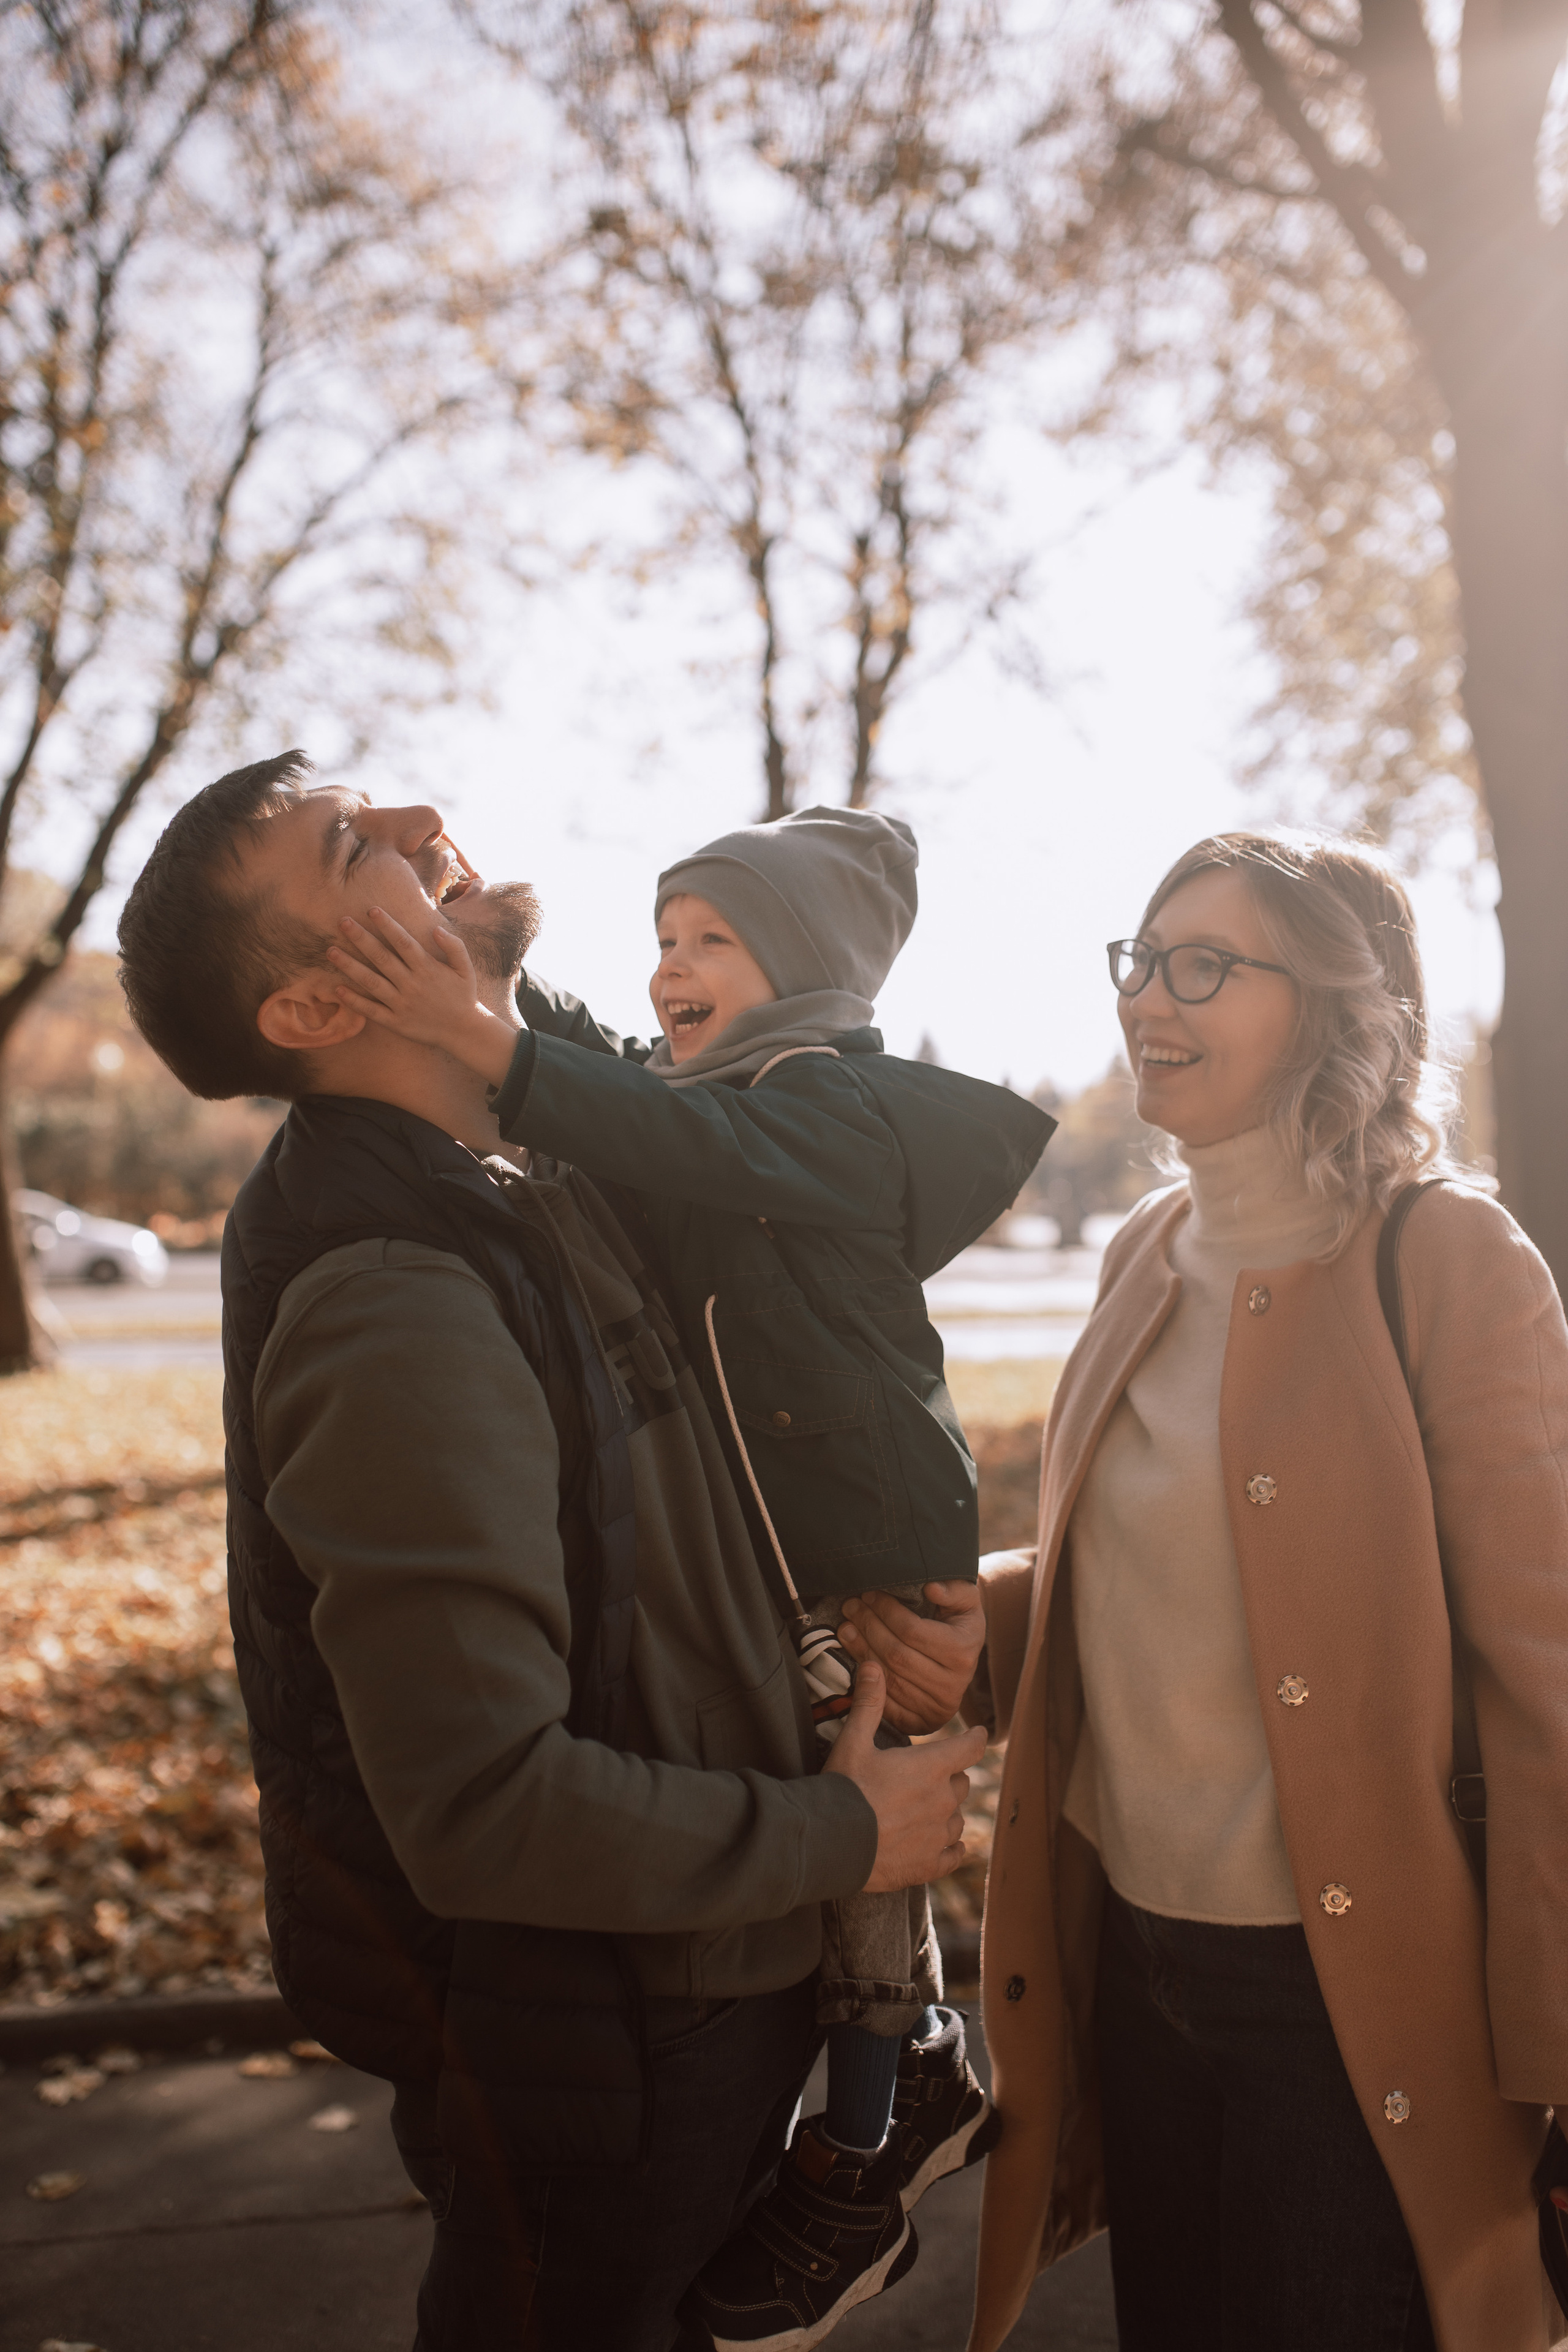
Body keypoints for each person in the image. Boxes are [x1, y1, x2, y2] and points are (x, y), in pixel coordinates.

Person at [115, 750, 989, 2352]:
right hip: (626, 2041)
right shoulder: (396, 1296)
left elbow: (722, 1469)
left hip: (704, 1977)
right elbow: (486, 1811)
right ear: (311, 1011)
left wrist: (905, 1602)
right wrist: (841, 1838)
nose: (413, 820)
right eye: (344, 842)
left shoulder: (539, 1180)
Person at [326, 802, 1053, 2347]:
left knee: (866, 1820)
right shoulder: (710, 1091)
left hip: (875, 1532)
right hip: (794, 1540)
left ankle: (877, 2118)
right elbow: (632, 1103)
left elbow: (668, 1132)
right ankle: (901, 2073)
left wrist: (494, 1043)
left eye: (712, 939)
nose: (670, 967)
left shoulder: (826, 1105)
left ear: (801, 972)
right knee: (845, 1794)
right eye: (662, 938)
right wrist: (487, 959)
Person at [965, 831, 1568, 2352]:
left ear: (1333, 1007)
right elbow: (1162, 1567)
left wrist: (1552, 2036)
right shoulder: (1143, 1253)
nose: (1148, 1001)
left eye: (1204, 967)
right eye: (1142, 959)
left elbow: (1539, 1668)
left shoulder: (1443, 1258)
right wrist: (967, 1616)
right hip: (1134, 1961)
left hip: (1348, 1991)